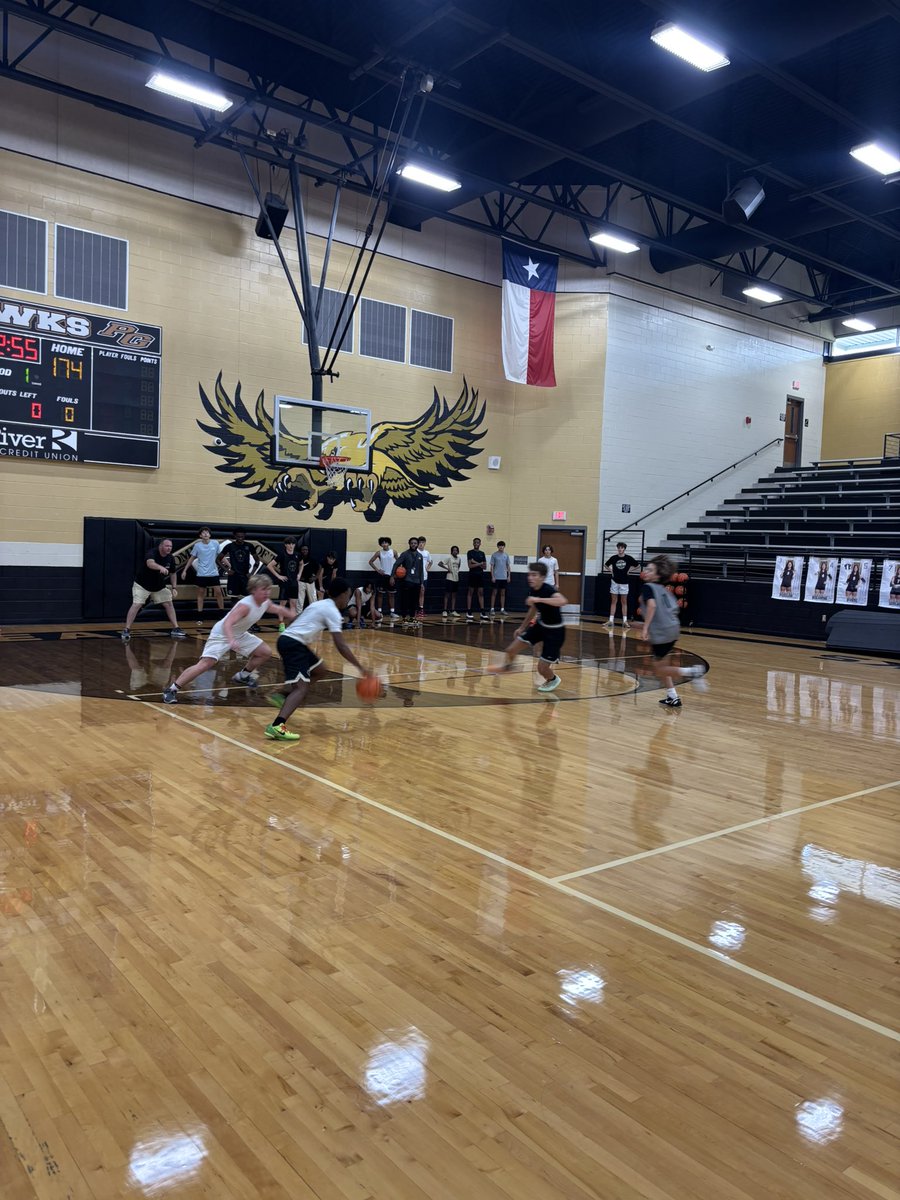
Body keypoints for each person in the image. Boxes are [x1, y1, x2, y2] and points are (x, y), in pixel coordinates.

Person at [264, 577, 373, 742]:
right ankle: (278, 725)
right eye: (348, 595)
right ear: (343, 595)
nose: (348, 599)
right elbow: (341, 646)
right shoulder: (333, 612)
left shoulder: (319, 604)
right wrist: (361, 668)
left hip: (291, 641)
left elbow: (295, 618)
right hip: (294, 644)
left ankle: (284, 694)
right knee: (301, 688)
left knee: (320, 670)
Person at [162, 575, 292, 704]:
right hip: (222, 634)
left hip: (239, 633)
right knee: (206, 664)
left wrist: (296, 615)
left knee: (265, 652)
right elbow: (227, 623)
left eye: (268, 589)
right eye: (263, 589)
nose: (267, 592)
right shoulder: (245, 605)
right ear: (253, 590)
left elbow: (278, 609)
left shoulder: (265, 603)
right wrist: (230, 640)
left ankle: (243, 676)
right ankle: (171, 689)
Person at [638, 554, 707, 709]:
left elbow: (652, 606)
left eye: (650, 570)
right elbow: (673, 609)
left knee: (659, 668)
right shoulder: (663, 590)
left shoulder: (648, 587)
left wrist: (645, 627)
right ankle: (672, 697)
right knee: (663, 664)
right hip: (673, 629)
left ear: (657, 575)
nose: (646, 572)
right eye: (646, 569)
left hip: (662, 633)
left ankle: (692, 671)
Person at [488, 561, 566, 692]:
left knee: (541, 669)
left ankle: (552, 679)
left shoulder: (548, 589)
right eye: (529, 574)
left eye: (534, 575)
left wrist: (538, 600)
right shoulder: (534, 590)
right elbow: (533, 609)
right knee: (511, 649)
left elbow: (562, 601)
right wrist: (522, 627)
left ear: (542, 577)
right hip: (541, 626)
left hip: (555, 632)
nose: (530, 577)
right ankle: (508, 667)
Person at [122, 537, 186, 640]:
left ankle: (176, 628)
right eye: (167, 546)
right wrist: (160, 567)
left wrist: (174, 587)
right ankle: (126, 629)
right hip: (142, 584)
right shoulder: (152, 553)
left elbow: (173, 573)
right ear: (161, 546)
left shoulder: (170, 558)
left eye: (170, 546)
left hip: (158, 585)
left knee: (169, 604)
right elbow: (150, 563)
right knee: (137, 604)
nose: (169, 548)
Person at [181, 527, 224, 623]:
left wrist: (230, 565)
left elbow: (220, 556)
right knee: (201, 594)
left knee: (219, 593)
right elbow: (192, 558)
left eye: (207, 532)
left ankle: (221, 615)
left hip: (213, 573)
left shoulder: (215, 543)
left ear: (210, 534)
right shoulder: (197, 546)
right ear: (200, 535)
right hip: (201, 574)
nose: (205, 534)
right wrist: (185, 570)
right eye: (203, 533)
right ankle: (200, 616)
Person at [604, 541, 639, 628]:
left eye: (622, 548)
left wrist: (630, 570)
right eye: (619, 548)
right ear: (617, 549)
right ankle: (611, 621)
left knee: (624, 602)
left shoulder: (628, 558)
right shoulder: (614, 558)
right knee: (613, 601)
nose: (620, 549)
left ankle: (625, 621)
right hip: (615, 582)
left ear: (624, 549)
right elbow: (606, 565)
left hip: (624, 583)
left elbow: (637, 566)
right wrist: (611, 570)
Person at [391, 537, 425, 626]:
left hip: (417, 582)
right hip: (407, 580)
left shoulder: (420, 556)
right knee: (405, 600)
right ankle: (404, 618)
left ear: (417, 544)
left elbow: (421, 570)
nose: (413, 544)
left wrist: (422, 583)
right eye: (412, 543)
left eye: (415, 543)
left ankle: (412, 618)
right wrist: (392, 576)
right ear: (409, 544)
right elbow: (396, 564)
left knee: (414, 601)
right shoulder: (405, 554)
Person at [269, 535, 301, 629]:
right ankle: (281, 623)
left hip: (294, 583)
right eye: (289, 544)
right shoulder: (282, 555)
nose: (291, 546)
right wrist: (278, 576)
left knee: (293, 604)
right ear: (285, 545)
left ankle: (292, 624)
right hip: (285, 583)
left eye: (293, 544)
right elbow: (270, 566)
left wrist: (299, 574)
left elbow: (302, 564)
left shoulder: (297, 555)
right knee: (282, 604)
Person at [368, 536, 396, 620]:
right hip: (382, 576)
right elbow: (370, 562)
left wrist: (395, 574)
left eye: (386, 542)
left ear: (389, 543)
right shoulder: (379, 553)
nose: (384, 544)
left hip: (391, 576)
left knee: (391, 594)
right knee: (380, 594)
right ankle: (380, 612)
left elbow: (399, 563)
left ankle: (392, 612)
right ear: (381, 544)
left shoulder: (393, 552)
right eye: (382, 542)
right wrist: (377, 570)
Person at [222, 529, 254, 599]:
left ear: (244, 536)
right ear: (235, 536)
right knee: (233, 598)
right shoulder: (230, 546)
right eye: (238, 536)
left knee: (246, 599)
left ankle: (244, 610)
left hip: (245, 576)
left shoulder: (249, 546)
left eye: (242, 536)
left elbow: (257, 560)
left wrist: (251, 573)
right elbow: (218, 559)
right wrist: (227, 570)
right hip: (234, 576)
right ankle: (234, 610)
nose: (240, 538)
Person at [466, 537, 488, 621]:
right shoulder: (470, 552)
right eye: (475, 542)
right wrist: (480, 563)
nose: (476, 544)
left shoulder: (482, 553)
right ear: (473, 543)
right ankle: (469, 611)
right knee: (470, 592)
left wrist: (476, 563)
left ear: (480, 544)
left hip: (480, 575)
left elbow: (485, 567)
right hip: (472, 575)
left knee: (481, 593)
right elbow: (470, 566)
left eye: (478, 542)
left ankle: (482, 612)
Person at [438, 546, 462, 617]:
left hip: (456, 578)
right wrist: (447, 568)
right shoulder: (448, 558)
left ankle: (452, 610)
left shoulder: (459, 559)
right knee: (447, 595)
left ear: (458, 551)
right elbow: (440, 563)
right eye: (453, 550)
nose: (455, 551)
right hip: (449, 578)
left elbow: (458, 567)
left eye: (456, 550)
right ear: (451, 551)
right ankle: (444, 610)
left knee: (454, 595)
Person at [489, 540, 511, 614]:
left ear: (504, 547)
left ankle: (502, 609)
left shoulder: (506, 555)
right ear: (498, 546)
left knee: (503, 593)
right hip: (496, 577)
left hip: (504, 577)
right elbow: (491, 566)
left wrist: (509, 576)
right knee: (494, 593)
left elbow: (508, 566)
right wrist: (492, 576)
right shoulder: (494, 555)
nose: (501, 547)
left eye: (502, 546)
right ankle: (492, 609)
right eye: (500, 546)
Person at [297, 544, 319, 610]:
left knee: (313, 600)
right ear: (300, 551)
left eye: (306, 550)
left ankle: (314, 615)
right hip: (301, 582)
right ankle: (298, 616)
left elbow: (319, 568)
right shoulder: (298, 559)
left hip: (310, 582)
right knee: (300, 601)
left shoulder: (312, 559)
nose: (305, 551)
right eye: (303, 550)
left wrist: (315, 577)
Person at [416, 536, 432, 621]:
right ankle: (415, 610)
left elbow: (431, 561)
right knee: (416, 593)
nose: (421, 544)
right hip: (416, 577)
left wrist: (427, 568)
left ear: (425, 543)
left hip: (425, 576)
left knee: (422, 593)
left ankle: (421, 609)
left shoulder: (427, 552)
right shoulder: (416, 552)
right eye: (420, 542)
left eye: (423, 542)